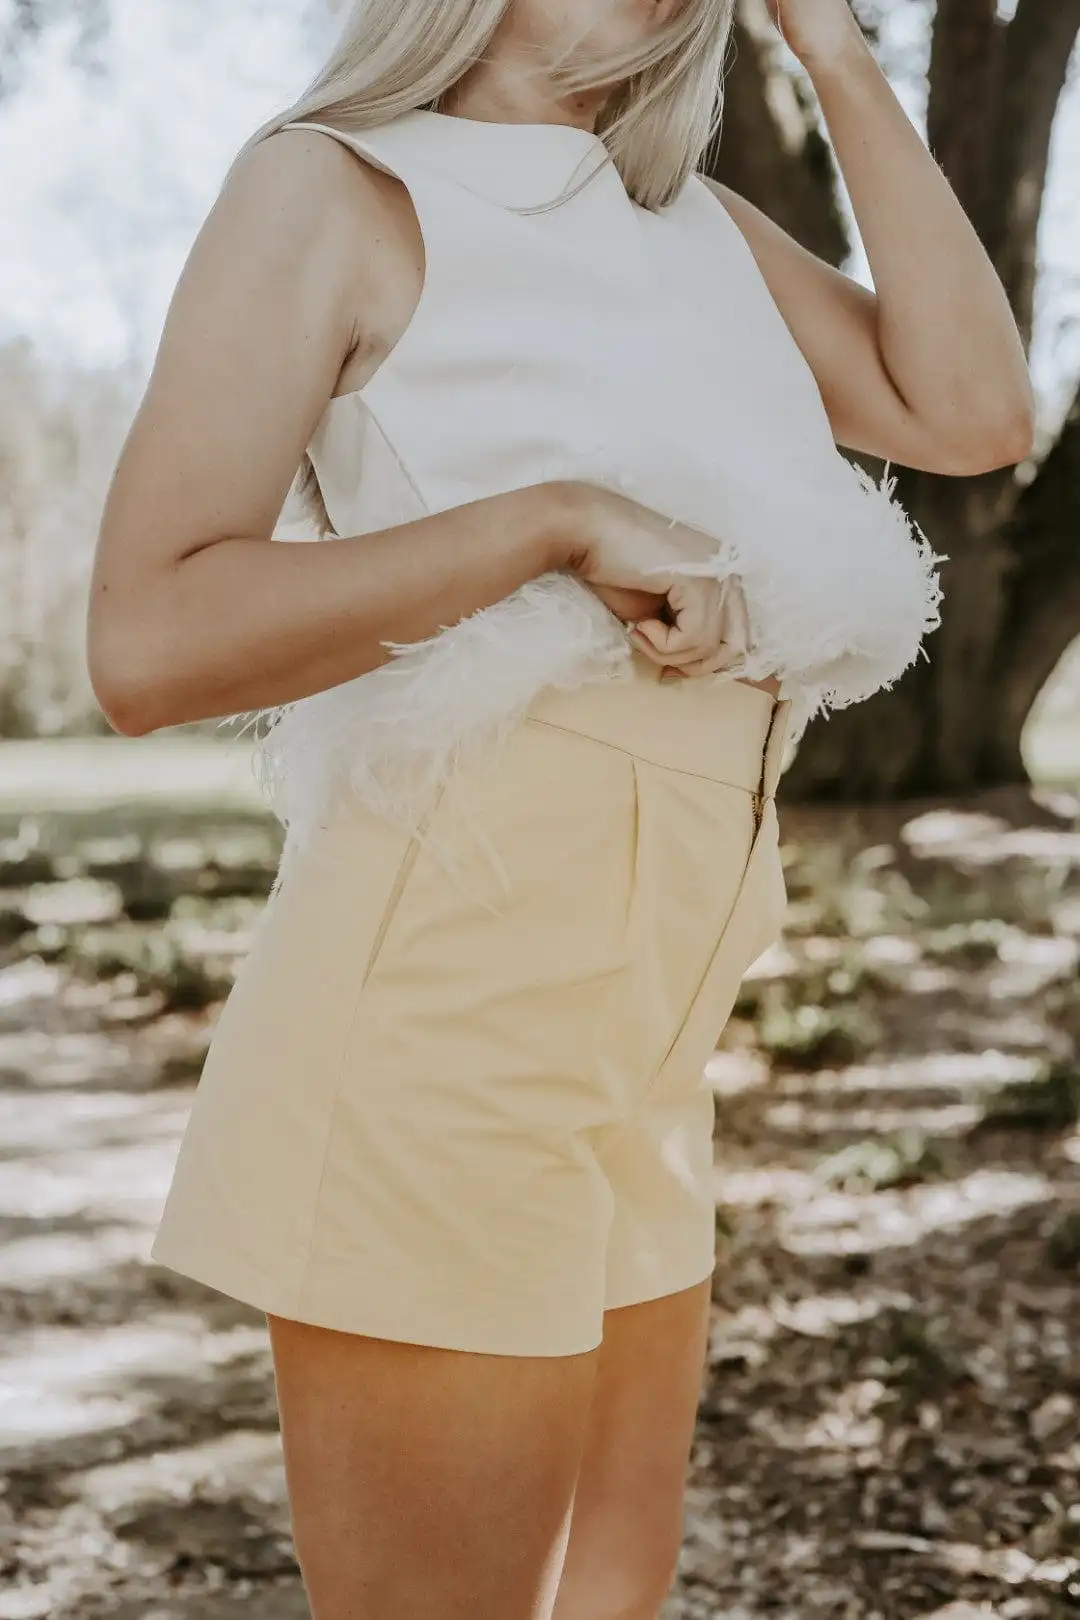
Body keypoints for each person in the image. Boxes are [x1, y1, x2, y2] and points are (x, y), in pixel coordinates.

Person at [86, 0, 1034, 1615]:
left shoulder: (699, 229)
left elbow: (974, 415)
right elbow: (146, 638)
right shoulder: (335, 189)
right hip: (438, 1035)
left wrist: (842, 53)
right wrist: (552, 523)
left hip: (648, 1057)